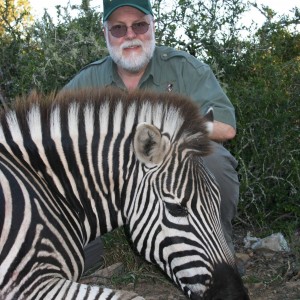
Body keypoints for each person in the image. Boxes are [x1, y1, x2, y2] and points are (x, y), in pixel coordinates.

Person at [64, 0, 239, 272]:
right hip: (110, 180)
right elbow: (53, 136)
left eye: (139, 25)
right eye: (119, 28)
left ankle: (215, 251)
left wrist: (163, 133)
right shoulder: (89, 80)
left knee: (213, 160)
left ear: (153, 25)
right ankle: (79, 249)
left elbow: (226, 127)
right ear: (106, 34)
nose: (130, 35)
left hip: (170, 167)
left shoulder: (184, 69)